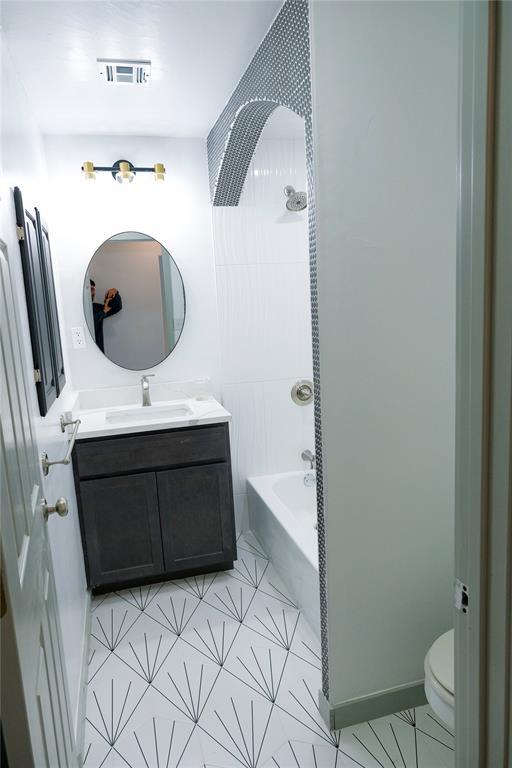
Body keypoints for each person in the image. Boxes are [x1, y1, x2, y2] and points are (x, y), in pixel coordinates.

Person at [90, 280, 122, 352]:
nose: (94, 293)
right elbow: (89, 324)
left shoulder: (96, 307)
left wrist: (115, 293)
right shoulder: (76, 310)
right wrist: (103, 312)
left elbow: (117, 307)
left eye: (94, 290)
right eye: (91, 289)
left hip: (97, 353)